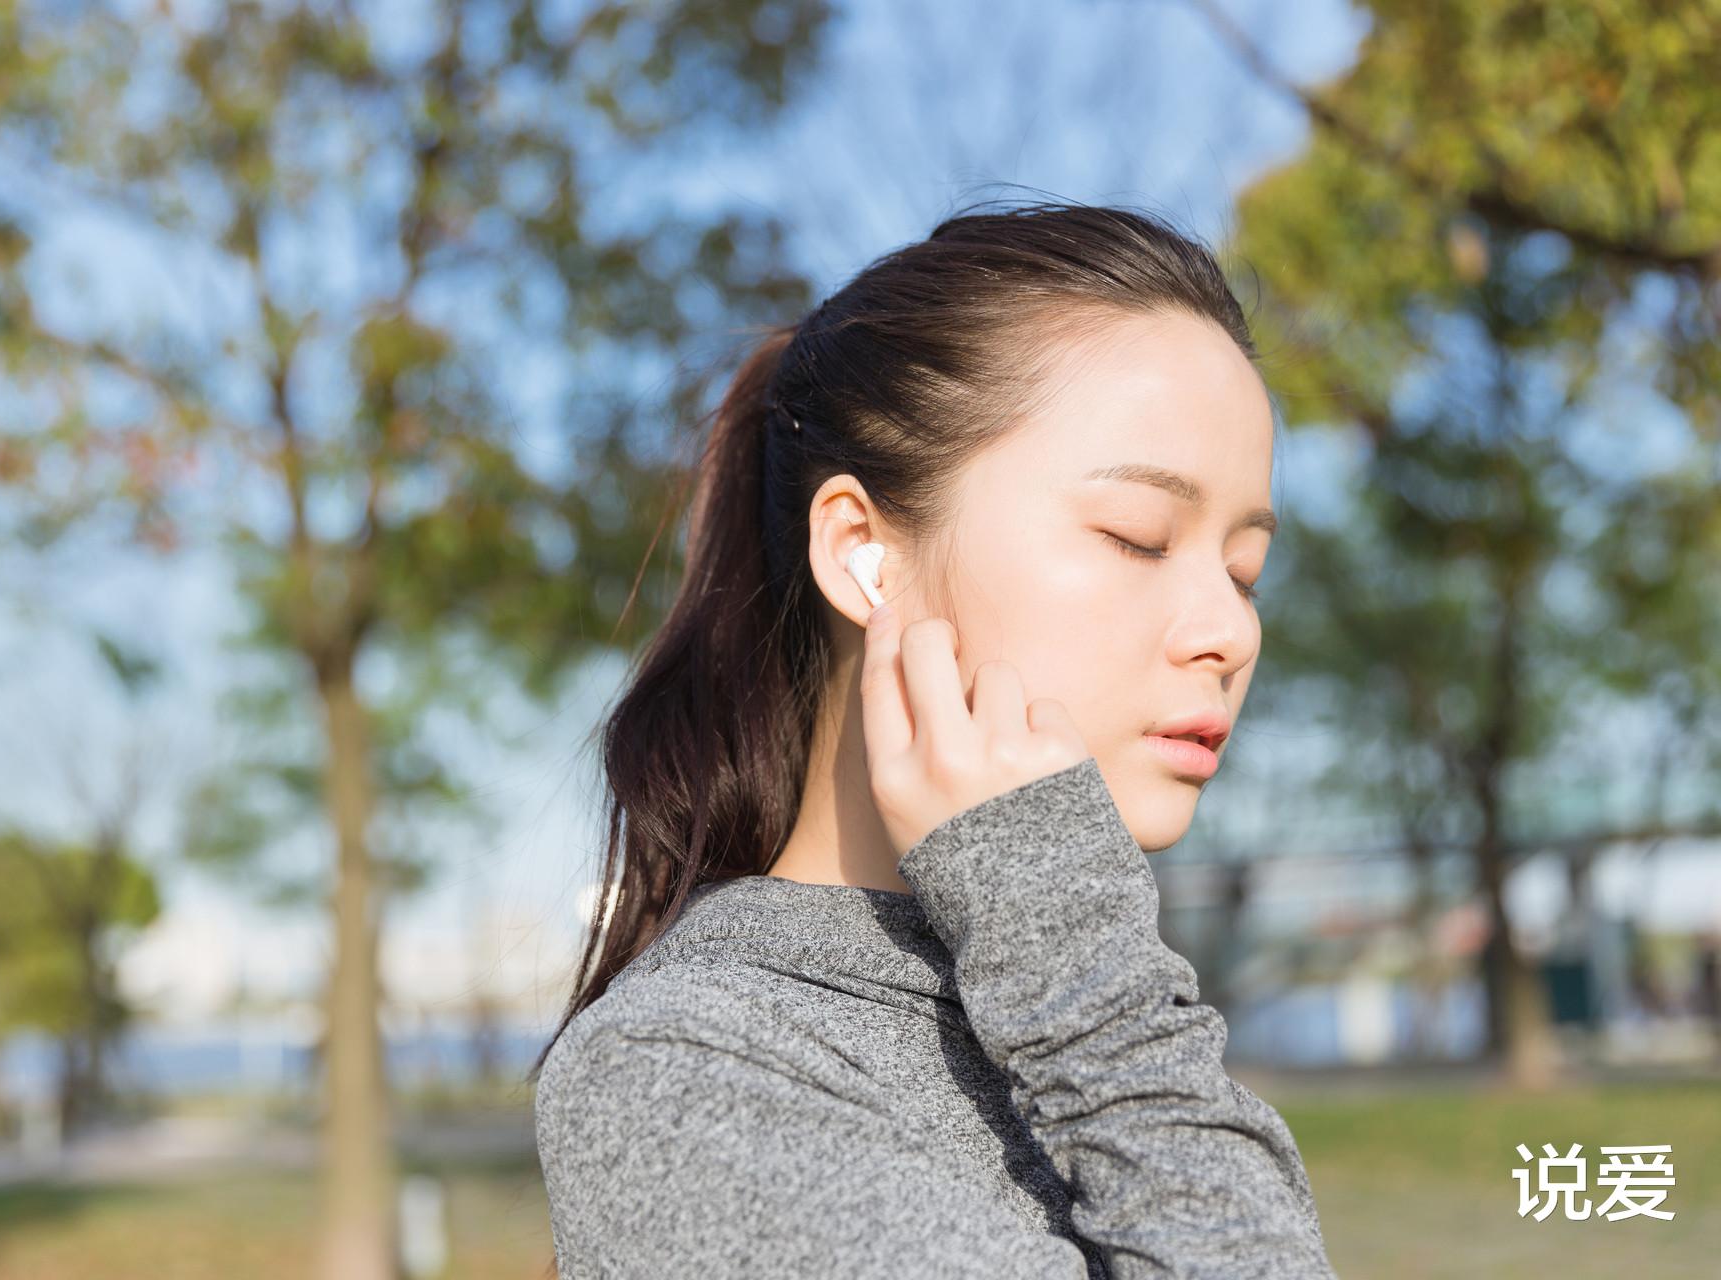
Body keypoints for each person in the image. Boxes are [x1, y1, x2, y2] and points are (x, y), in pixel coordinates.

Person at [528, 200, 1338, 1278]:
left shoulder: (1065, 1001)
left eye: (1244, 569)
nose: (1232, 630)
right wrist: (1077, 963)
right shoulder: (681, 1068)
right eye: (1140, 539)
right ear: (865, 551)